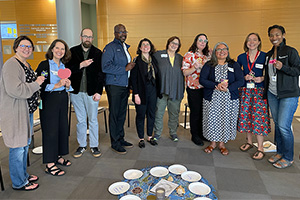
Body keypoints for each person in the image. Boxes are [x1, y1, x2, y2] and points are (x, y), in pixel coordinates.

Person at [0, 36, 45, 190]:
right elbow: (15, 90)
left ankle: (23, 175)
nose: (27, 49)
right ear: (16, 47)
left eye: (29, 46)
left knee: (24, 145)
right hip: (15, 112)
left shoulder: (24, 63)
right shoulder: (11, 64)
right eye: (23, 46)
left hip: (25, 111)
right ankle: (19, 183)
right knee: (17, 147)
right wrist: (36, 83)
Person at [264, 25, 300, 169]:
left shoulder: (290, 51)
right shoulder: (268, 54)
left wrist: (283, 67)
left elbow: (297, 70)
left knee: (284, 126)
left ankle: (288, 157)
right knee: (278, 125)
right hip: (273, 94)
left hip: (288, 94)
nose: (274, 38)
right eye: (271, 35)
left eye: (277, 35)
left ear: (283, 35)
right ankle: (279, 152)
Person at [36, 39, 73, 176]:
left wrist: (68, 85)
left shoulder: (64, 66)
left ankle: (58, 156)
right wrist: (56, 86)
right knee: (50, 131)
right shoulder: (45, 65)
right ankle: (50, 164)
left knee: (62, 128)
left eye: (62, 49)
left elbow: (68, 86)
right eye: (57, 48)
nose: (59, 51)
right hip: (49, 101)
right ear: (52, 49)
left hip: (62, 99)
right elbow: (40, 84)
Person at [200, 42, 244, 155]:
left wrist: (228, 88)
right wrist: (215, 85)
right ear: (215, 52)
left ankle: (222, 144)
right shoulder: (209, 65)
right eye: (219, 50)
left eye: (224, 49)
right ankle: (212, 143)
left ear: (228, 51)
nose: (222, 52)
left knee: (225, 120)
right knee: (212, 120)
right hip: (213, 98)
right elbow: (202, 80)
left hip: (229, 99)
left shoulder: (234, 65)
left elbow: (240, 80)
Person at [66, 28, 105, 158]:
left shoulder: (98, 53)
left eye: (90, 37)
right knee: (81, 121)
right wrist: (81, 65)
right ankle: (82, 145)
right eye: (85, 36)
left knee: (93, 120)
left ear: (92, 39)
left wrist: (99, 91)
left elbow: (101, 74)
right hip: (76, 92)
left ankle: (94, 145)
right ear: (81, 37)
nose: (87, 39)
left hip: (92, 93)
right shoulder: (72, 51)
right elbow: (67, 70)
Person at [102, 24, 135, 154]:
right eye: (120, 32)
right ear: (115, 33)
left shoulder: (124, 47)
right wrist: (124, 69)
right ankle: (114, 142)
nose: (123, 34)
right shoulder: (110, 48)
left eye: (125, 32)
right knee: (115, 114)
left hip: (124, 86)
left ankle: (121, 138)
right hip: (114, 86)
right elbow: (105, 67)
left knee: (122, 114)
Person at [237, 33, 271, 160]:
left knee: (259, 118)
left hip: (259, 91)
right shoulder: (241, 57)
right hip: (245, 91)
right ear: (246, 42)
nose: (251, 42)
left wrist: (262, 78)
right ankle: (249, 142)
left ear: (259, 42)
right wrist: (244, 77)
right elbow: (237, 73)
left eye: (254, 40)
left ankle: (260, 147)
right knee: (246, 115)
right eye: (249, 40)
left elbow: (269, 73)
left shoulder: (265, 56)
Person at [130, 38, 161, 148]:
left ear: (150, 47)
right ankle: (141, 138)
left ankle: (149, 136)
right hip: (141, 92)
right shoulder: (137, 61)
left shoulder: (154, 60)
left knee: (152, 114)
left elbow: (158, 76)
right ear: (140, 48)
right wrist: (136, 94)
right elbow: (133, 79)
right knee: (141, 115)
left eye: (148, 44)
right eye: (143, 45)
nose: (145, 46)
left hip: (152, 90)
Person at [153, 36, 185, 142]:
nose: (174, 45)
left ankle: (173, 132)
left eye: (177, 44)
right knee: (158, 112)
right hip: (162, 90)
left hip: (176, 90)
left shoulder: (181, 58)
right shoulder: (158, 55)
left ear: (179, 46)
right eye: (172, 42)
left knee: (174, 113)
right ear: (168, 43)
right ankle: (157, 132)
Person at [182, 33, 211, 146]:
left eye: (205, 40)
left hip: (206, 88)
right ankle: (195, 135)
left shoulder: (207, 56)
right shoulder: (189, 55)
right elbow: (184, 72)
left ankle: (202, 133)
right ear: (196, 41)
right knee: (195, 112)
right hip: (194, 88)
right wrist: (194, 67)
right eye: (200, 40)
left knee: (204, 112)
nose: (203, 42)